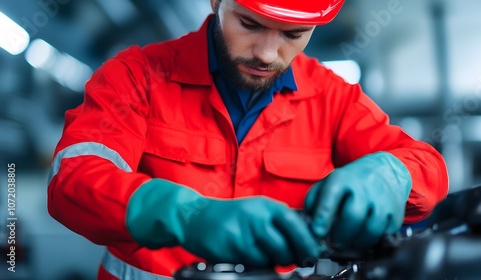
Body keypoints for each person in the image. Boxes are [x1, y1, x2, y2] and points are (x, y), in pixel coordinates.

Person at [47, 0, 449, 279]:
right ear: (215, 3)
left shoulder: (333, 97)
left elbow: (426, 168)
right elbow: (74, 179)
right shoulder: (136, 77)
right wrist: (188, 215)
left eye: (293, 33)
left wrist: (391, 175)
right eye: (250, 24)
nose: (267, 53)